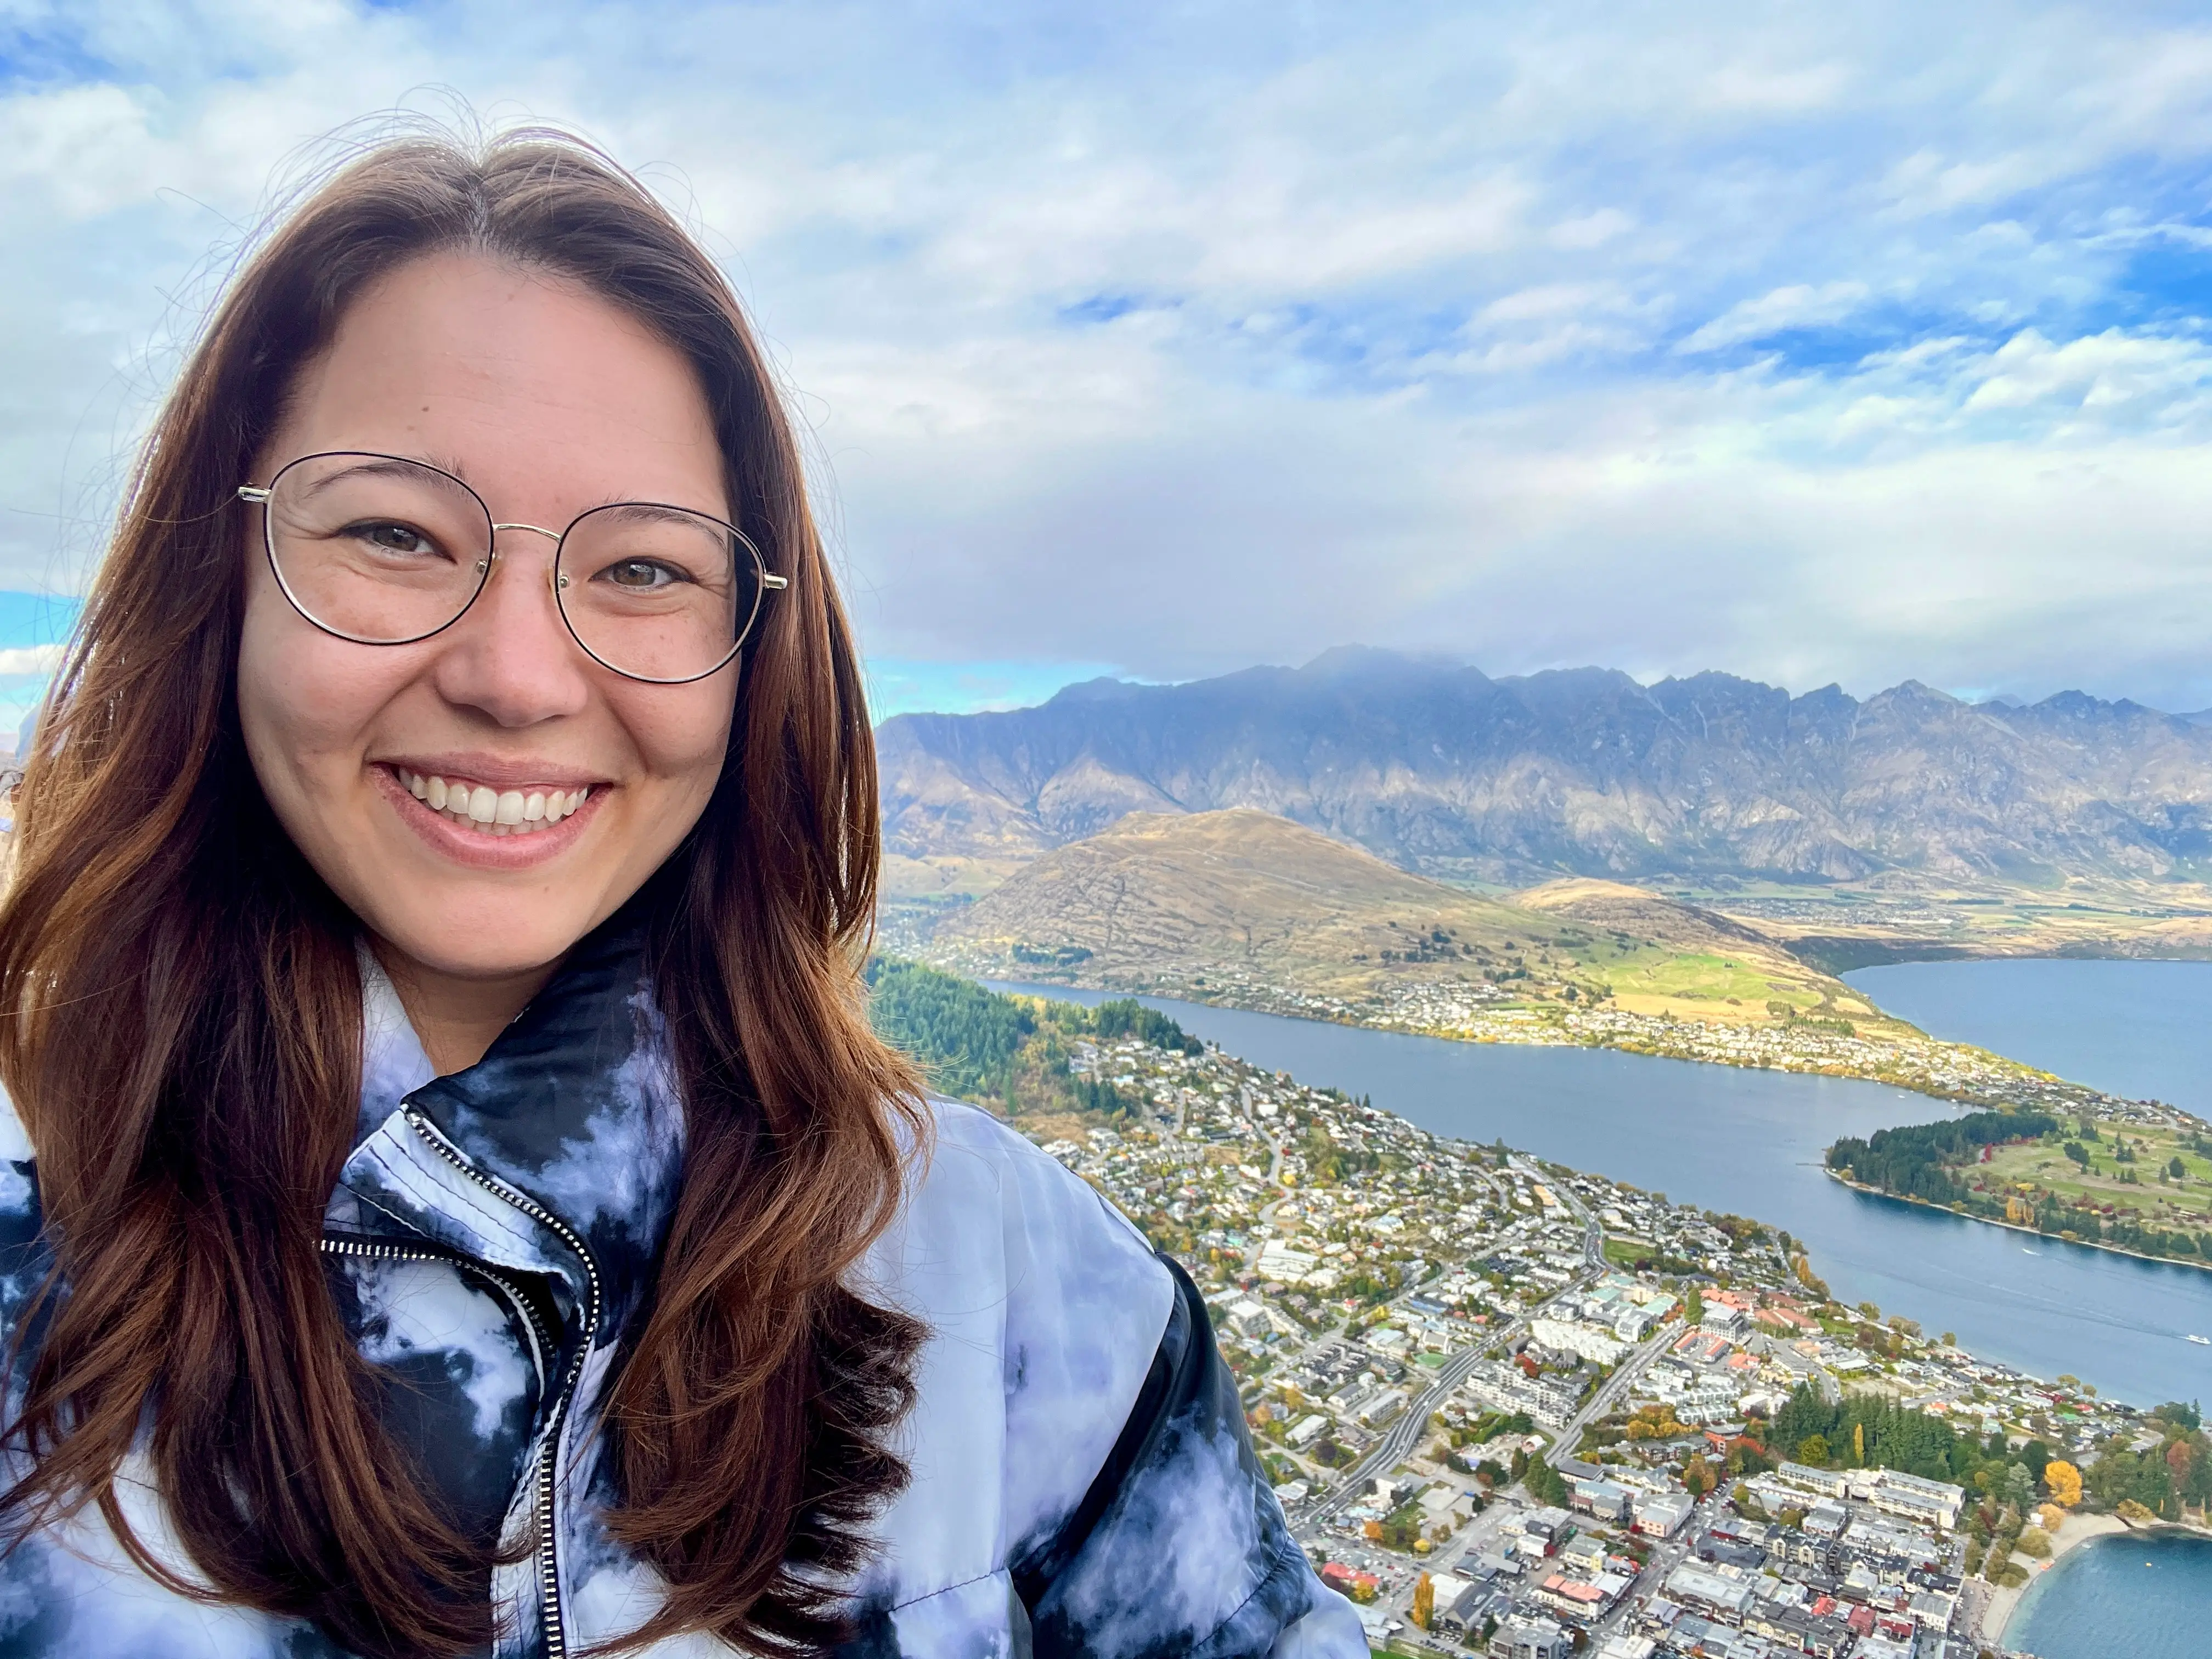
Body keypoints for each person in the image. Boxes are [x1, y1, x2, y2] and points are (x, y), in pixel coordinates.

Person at [0, 132, 1367, 1659]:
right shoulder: (26, 1250)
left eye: (645, 569)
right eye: (392, 531)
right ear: (226, 574)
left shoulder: (1013, 1291)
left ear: (753, 655)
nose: (516, 677)